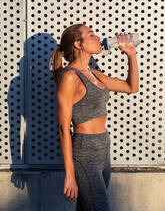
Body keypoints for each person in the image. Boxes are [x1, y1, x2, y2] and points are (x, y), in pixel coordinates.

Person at [49, 24, 139, 211]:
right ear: (78, 44)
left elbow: (131, 87)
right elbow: (64, 128)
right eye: (91, 34)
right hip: (85, 152)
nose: (98, 37)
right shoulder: (70, 77)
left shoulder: (93, 74)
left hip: (103, 148)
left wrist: (131, 54)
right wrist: (70, 175)